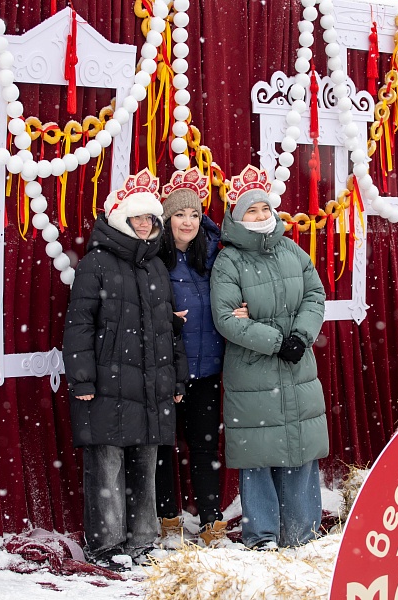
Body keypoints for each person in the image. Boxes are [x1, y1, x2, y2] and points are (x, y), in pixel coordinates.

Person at [63, 169, 188, 568]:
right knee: (107, 465)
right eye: (138, 218)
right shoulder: (95, 264)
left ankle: (142, 541)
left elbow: (168, 327)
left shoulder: (156, 267)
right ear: (122, 219)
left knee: (145, 464)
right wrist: (82, 378)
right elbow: (79, 325)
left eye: (150, 218)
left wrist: (177, 378)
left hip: (150, 385)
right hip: (107, 383)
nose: (146, 225)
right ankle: (107, 545)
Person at [210, 165, 329, 550]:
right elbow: (227, 318)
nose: (261, 215)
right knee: (258, 454)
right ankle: (261, 537)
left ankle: (303, 534)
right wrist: (277, 341)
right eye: (252, 210)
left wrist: (300, 336)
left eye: (265, 208)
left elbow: (315, 295)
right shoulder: (229, 261)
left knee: (300, 448)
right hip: (254, 373)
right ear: (237, 217)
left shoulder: (291, 250)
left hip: (298, 367)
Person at [154, 168, 247, 547]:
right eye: (179, 214)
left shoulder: (213, 256)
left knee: (205, 447)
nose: (188, 222)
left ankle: (211, 522)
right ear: (167, 219)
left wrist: (244, 308)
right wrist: (163, 318)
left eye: (193, 214)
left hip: (207, 370)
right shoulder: (154, 257)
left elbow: (234, 293)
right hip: (166, 369)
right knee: (163, 447)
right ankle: (168, 521)